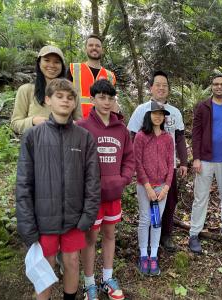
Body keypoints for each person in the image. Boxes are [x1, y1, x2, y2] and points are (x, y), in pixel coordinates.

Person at [15, 78, 100, 300]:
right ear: (48, 100)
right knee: (46, 266)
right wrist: (27, 222)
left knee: (72, 262)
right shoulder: (33, 137)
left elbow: (93, 181)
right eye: (59, 96)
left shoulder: (84, 138)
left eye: (69, 97)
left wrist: (87, 217)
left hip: (74, 218)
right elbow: (23, 183)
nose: (65, 101)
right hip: (43, 219)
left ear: (74, 104)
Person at [77, 79, 135, 300]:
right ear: (92, 99)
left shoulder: (121, 129)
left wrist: (123, 179)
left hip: (114, 194)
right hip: (91, 197)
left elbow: (129, 158)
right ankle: (89, 283)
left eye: (110, 98)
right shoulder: (82, 127)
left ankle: (107, 279)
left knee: (110, 235)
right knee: (90, 239)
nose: (106, 101)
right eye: (101, 97)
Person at [127, 70, 187, 252]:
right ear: (151, 88)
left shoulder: (175, 112)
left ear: (168, 89)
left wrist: (183, 162)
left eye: (165, 85)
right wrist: (131, 165)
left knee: (169, 200)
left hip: (168, 167)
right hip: (145, 168)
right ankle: (146, 243)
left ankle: (165, 235)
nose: (161, 88)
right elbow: (131, 137)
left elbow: (180, 138)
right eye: (158, 84)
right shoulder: (141, 110)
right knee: (147, 203)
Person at [188, 74, 222, 254]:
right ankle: (194, 233)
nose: (218, 87)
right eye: (215, 84)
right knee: (200, 197)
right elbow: (196, 133)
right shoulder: (203, 107)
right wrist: (196, 158)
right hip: (206, 160)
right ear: (211, 86)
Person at [133, 101, 174, 276]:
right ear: (148, 115)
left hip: (162, 187)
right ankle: (143, 255)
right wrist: (148, 187)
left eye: (161, 113)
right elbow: (138, 162)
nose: (158, 116)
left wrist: (166, 187)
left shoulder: (167, 137)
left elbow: (171, 163)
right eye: (155, 113)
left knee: (157, 221)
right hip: (145, 186)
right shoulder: (141, 136)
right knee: (145, 220)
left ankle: (154, 255)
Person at [11, 45, 82, 134]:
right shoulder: (26, 90)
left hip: (66, 144)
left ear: (62, 66)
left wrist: (71, 125)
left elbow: (79, 122)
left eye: (56, 62)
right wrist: (33, 121)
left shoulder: (72, 91)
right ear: (39, 62)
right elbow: (15, 124)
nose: (52, 65)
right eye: (47, 60)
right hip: (35, 145)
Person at [67, 34, 117, 118]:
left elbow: (112, 102)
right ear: (85, 49)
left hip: (102, 124)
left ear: (102, 50)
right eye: (90, 45)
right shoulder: (73, 69)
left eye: (97, 46)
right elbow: (65, 97)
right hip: (77, 122)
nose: (94, 47)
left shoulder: (110, 76)